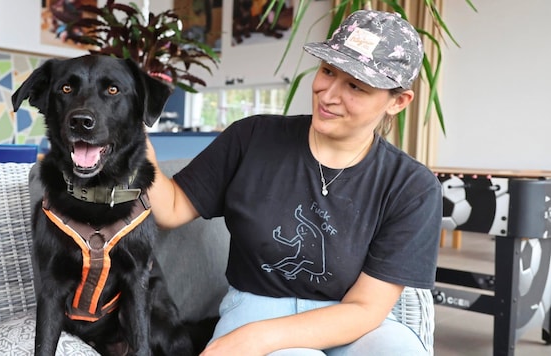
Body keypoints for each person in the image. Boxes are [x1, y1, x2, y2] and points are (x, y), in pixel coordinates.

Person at [146, 9, 442, 356]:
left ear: (398, 102)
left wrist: (255, 339)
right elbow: (173, 207)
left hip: (349, 318)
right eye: (328, 71)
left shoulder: (411, 186)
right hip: (256, 308)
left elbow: (366, 307)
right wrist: (137, 142)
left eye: (355, 86)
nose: (328, 94)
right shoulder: (253, 136)